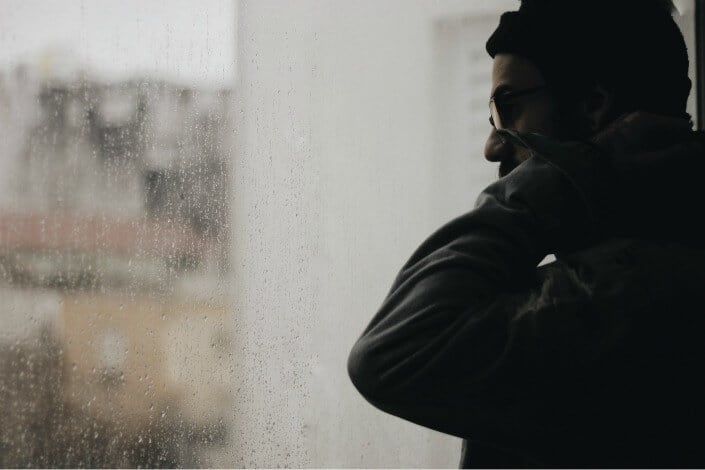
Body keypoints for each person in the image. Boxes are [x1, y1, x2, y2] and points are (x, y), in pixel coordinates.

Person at [347, 0, 705, 467]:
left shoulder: (635, 289)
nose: (493, 144)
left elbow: (390, 355)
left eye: (509, 108)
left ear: (594, 105)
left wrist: (576, 170)